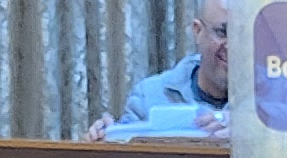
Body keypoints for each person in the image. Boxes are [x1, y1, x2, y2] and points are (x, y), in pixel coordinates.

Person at [89, 0, 233, 139]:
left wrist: (243, 131)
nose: (233, 45)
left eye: (242, 34)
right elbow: (124, 149)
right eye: (223, 32)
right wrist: (105, 138)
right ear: (198, 31)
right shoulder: (149, 95)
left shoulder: (249, 113)